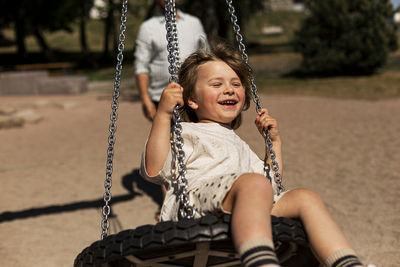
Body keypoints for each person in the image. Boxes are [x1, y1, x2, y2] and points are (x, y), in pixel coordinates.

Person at [140, 43, 365, 267]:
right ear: (192, 100)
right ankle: (260, 261)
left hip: (238, 202)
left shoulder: (240, 145)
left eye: (236, 84)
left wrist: (274, 143)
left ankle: (347, 263)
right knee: (252, 183)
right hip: (195, 207)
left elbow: (270, 186)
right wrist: (163, 114)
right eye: (216, 84)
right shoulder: (187, 132)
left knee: (304, 197)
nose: (229, 89)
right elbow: (154, 169)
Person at [134, 0, 208, 122]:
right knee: (166, 139)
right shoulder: (148, 28)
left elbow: (205, 56)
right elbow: (141, 66)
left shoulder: (194, 23)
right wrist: (146, 100)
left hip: (194, 95)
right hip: (161, 97)